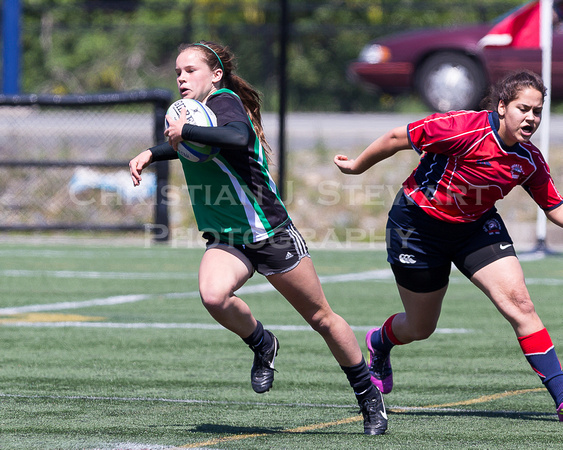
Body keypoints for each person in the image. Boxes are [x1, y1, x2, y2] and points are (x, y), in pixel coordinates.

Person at [129, 41, 387, 435]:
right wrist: (153, 152)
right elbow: (194, 146)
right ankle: (262, 342)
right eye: (178, 71)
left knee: (321, 318)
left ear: (215, 75)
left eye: (191, 70)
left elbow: (237, 138)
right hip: (228, 236)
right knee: (214, 296)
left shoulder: (225, 101)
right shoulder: (194, 114)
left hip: (269, 232)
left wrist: (184, 132)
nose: (181, 77)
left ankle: (368, 396)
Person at [334, 69, 563, 421]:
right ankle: (380, 342)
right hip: (417, 227)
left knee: (521, 304)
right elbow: (398, 137)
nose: (531, 117)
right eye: (523, 108)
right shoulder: (464, 128)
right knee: (420, 328)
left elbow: (555, 208)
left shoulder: (528, 160)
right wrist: (357, 168)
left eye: (537, 111)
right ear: (502, 106)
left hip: (475, 229)